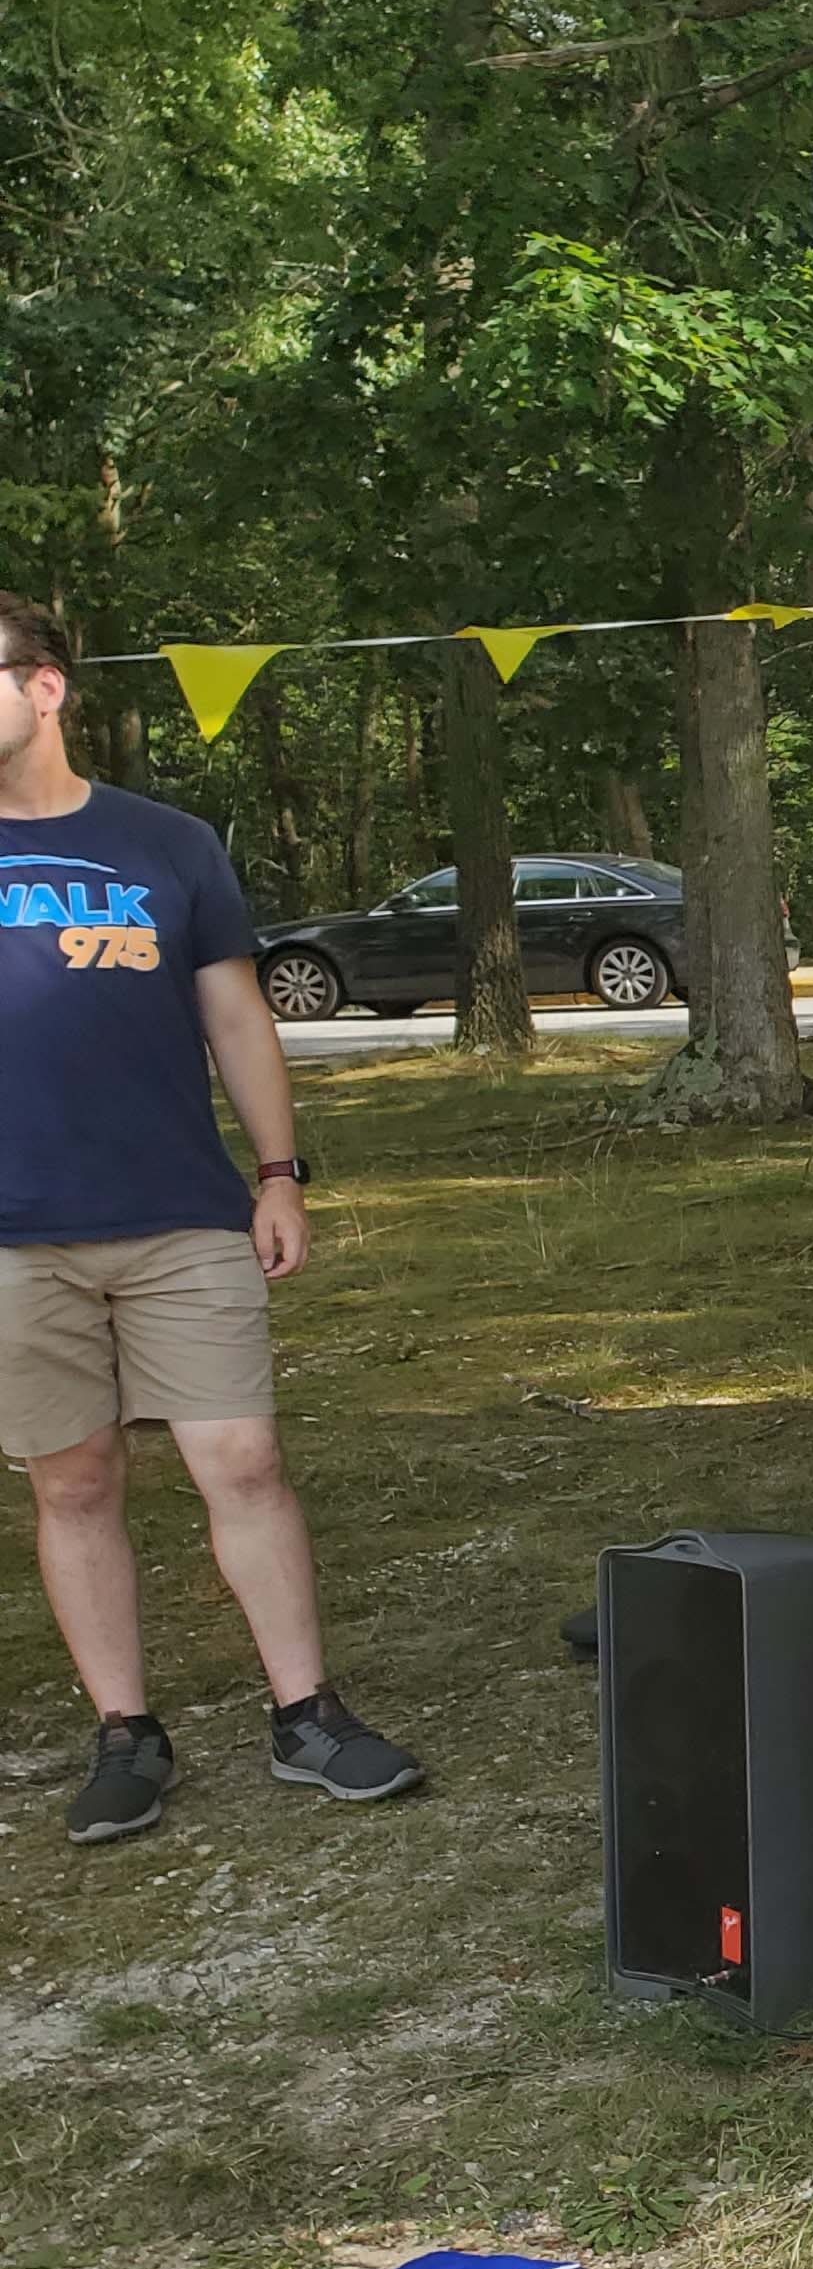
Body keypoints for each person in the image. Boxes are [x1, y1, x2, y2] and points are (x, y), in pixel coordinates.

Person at [0, 590, 419, 1842]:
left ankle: (309, 1713)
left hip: (181, 1211)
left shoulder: (165, 844)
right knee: (72, 1481)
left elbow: (237, 1015)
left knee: (241, 1460)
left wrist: (279, 1172)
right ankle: (126, 1733)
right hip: (14, 1235)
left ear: (45, 687)